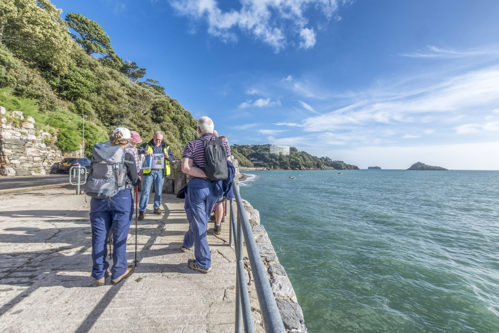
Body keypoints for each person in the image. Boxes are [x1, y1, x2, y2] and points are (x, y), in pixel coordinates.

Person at [180, 116, 231, 273]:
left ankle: (203, 262)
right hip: (216, 188)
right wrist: (212, 175)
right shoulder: (223, 144)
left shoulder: (192, 144)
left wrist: (204, 174)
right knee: (199, 219)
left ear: (198, 130)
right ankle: (187, 243)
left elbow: (186, 168)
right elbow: (228, 167)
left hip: (198, 187)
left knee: (198, 221)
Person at [89, 127, 139, 286]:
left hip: (98, 197)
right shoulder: (127, 155)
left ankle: (99, 273)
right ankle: (118, 271)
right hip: (120, 197)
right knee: (119, 235)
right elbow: (135, 178)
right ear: (128, 141)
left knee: (99, 236)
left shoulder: (98, 152)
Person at [138, 131, 174, 220]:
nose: (158, 141)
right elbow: (137, 149)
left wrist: (168, 157)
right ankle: (142, 211)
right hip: (149, 172)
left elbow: (172, 157)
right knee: (145, 191)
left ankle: (156, 208)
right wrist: (145, 151)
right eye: (157, 139)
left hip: (160, 172)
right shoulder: (146, 145)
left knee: (158, 191)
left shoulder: (166, 146)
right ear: (153, 137)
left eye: (160, 140)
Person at [213, 135, 232, 235]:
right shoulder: (224, 145)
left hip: (210, 178)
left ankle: (214, 221)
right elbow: (229, 163)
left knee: (212, 202)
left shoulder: (207, 145)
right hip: (221, 178)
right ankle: (218, 224)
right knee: (219, 202)